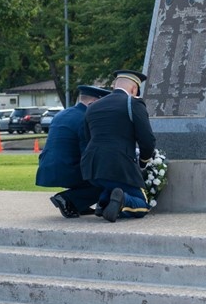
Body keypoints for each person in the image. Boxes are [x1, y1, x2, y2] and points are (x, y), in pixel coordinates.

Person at [80, 69, 156, 222]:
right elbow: (147, 140)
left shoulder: (93, 106)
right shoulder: (133, 103)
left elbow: (86, 138)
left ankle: (104, 203)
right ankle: (123, 202)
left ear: (114, 86)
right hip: (119, 165)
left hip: (92, 166)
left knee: (111, 184)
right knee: (142, 204)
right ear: (134, 89)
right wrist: (142, 163)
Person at [38, 85, 110, 218]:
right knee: (107, 180)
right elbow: (87, 153)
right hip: (66, 168)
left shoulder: (62, 114)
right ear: (92, 103)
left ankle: (78, 204)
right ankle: (67, 199)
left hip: (48, 166)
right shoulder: (86, 118)